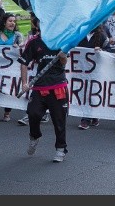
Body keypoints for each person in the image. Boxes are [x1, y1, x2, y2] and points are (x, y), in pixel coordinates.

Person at [18, 14, 70, 162]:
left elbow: (64, 62)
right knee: (32, 113)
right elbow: (23, 62)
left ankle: (61, 148)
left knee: (59, 120)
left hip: (57, 85)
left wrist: (62, 55)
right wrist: (24, 83)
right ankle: (34, 136)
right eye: (42, 21)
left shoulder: (61, 40)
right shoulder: (34, 42)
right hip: (40, 86)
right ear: (37, 24)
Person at [0, 12, 24, 123]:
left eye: (14, 21)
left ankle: (7, 112)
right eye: (10, 21)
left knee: (9, 90)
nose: (12, 23)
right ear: (4, 22)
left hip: (11, 69)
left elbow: (24, 50)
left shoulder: (18, 36)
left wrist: (18, 47)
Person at [77, 24, 111, 130]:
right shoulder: (80, 35)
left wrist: (101, 51)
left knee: (92, 92)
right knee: (84, 92)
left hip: (96, 70)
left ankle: (87, 118)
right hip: (82, 69)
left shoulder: (102, 36)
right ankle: (91, 116)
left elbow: (109, 52)